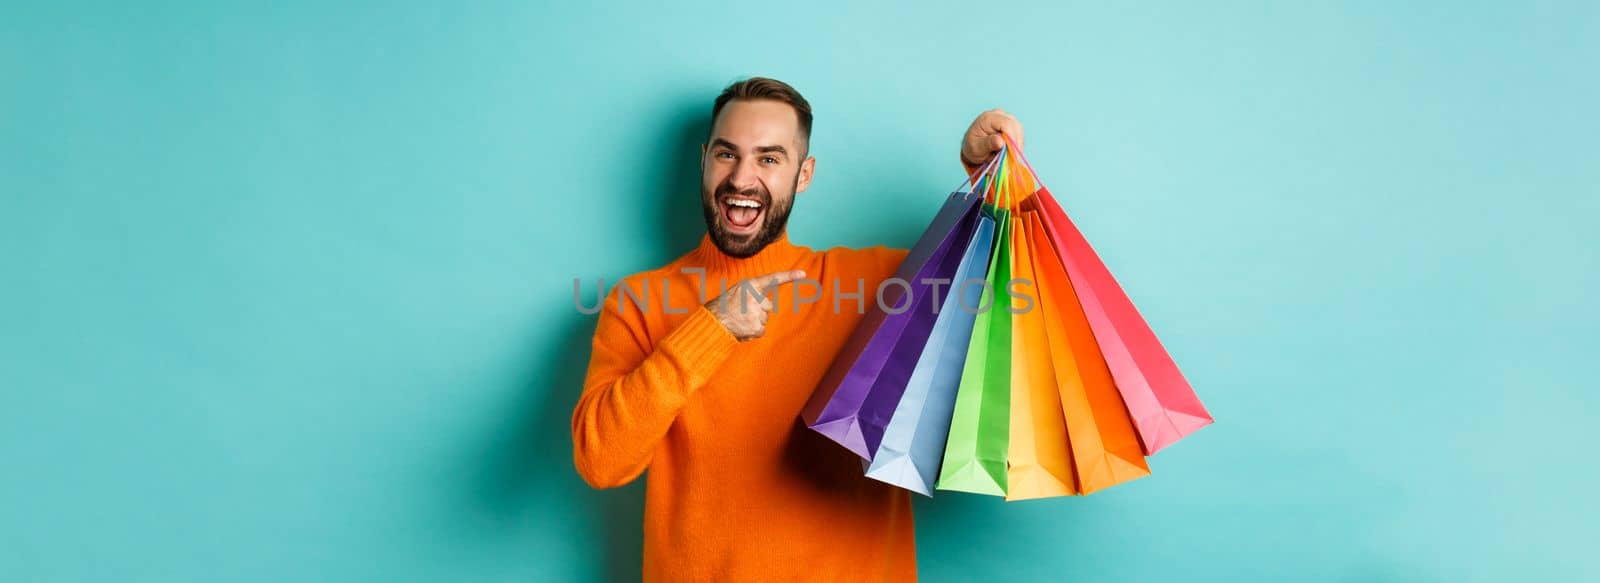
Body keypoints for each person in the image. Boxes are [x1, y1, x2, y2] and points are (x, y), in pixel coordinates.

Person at [571, 76, 1024, 582]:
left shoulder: (879, 287)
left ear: (803, 174)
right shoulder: (638, 302)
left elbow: (1012, 287)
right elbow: (601, 461)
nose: (742, 180)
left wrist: (989, 181)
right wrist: (709, 328)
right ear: (703, 160)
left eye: (769, 159)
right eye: (727, 154)